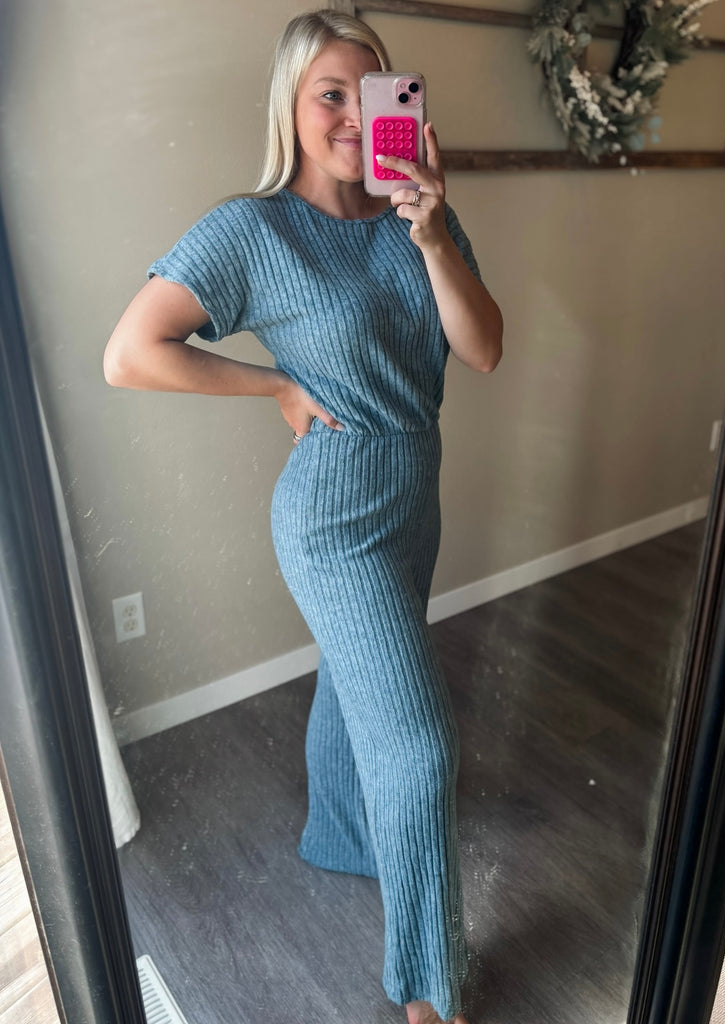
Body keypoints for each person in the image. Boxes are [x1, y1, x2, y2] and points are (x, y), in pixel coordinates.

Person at [103, 9, 502, 1023]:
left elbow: (484, 348)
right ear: (291, 101)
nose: (352, 116)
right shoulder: (253, 229)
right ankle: (430, 992)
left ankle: (343, 835)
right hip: (333, 517)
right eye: (331, 94)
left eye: (370, 94)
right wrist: (275, 386)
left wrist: (432, 231)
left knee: (352, 677)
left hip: (414, 491)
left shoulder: (418, 214)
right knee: (420, 748)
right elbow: (131, 352)